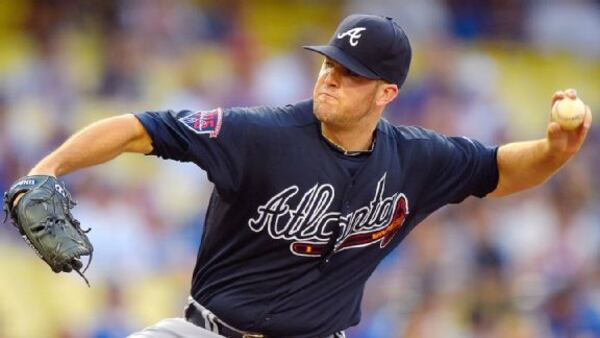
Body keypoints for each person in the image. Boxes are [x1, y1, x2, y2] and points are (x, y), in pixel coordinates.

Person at [8, 14, 593, 338]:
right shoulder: (257, 132)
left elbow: (498, 169)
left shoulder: (417, 159)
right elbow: (139, 127)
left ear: (387, 92)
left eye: (351, 73)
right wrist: (46, 169)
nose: (329, 78)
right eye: (329, 64)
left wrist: (554, 150)